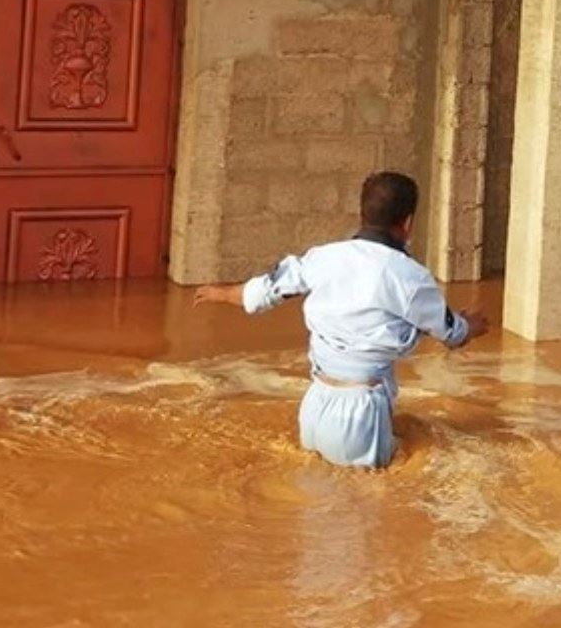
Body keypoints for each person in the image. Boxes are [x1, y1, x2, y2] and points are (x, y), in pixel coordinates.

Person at [194, 171, 489, 469]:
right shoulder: (411, 277)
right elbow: (450, 333)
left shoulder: (322, 258)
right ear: (408, 223)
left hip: (314, 405)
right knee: (369, 506)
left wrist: (220, 293)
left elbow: (261, 293)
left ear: (362, 214)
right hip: (362, 414)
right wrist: (471, 326)